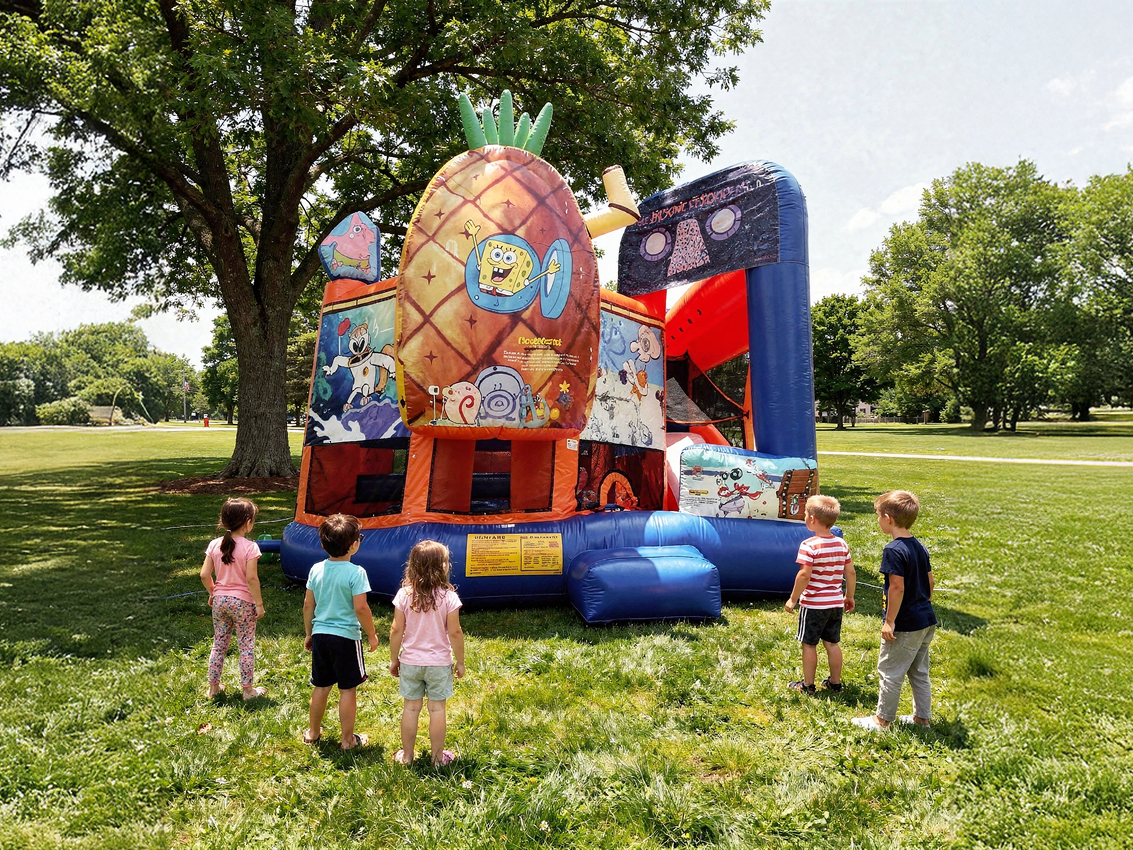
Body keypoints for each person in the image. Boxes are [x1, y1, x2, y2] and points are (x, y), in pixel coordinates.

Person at [853, 490, 937, 732]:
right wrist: (924, 601)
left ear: (888, 518)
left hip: (905, 624)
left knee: (890, 671)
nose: (878, 520)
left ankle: (882, 721)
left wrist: (890, 621)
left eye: (878, 515)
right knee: (919, 671)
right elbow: (930, 582)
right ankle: (922, 719)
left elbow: (897, 587)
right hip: (925, 619)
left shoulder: (893, 549)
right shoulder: (919, 546)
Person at [303, 514, 379, 749]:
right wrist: (372, 635)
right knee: (347, 689)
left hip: (320, 636)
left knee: (321, 686)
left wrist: (309, 633)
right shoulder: (357, 573)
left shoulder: (316, 569)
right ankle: (348, 740)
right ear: (354, 545)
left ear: (323, 544)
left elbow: (308, 605)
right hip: (346, 639)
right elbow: (361, 608)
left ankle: (313, 733)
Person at [389, 540, 465, 766]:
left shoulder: (404, 595)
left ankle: (407, 757)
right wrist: (460, 661)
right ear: (442, 567)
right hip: (439, 664)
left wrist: (394, 659)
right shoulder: (449, 598)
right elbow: (455, 632)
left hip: (410, 662)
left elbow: (396, 629)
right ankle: (437, 759)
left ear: (412, 566)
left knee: (411, 708)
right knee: (437, 710)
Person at [784, 494, 856, 694]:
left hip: (814, 605)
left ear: (812, 519)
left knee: (809, 644)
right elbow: (850, 572)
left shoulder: (809, 545)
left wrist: (793, 599)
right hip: (835, 604)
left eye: (806, 514)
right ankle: (835, 683)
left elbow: (804, 575)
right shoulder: (841, 544)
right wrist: (849, 596)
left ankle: (808, 685)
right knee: (832, 643)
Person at [200, 497, 267, 700]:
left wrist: (213, 593)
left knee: (219, 644)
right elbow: (251, 578)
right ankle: (248, 691)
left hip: (220, 602)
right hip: (243, 603)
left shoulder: (214, 544)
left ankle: (213, 689)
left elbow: (204, 575)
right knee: (246, 645)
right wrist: (259, 604)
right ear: (247, 522)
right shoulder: (250, 547)